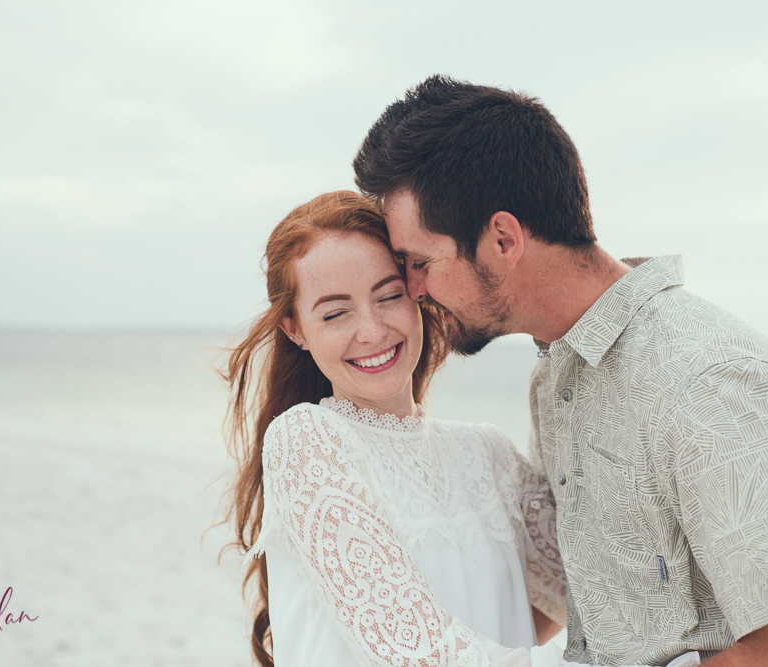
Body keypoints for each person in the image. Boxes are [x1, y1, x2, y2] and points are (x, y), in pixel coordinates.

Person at [352, 75, 768, 666]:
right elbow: (590, 607)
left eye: (420, 262)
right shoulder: (558, 379)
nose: (413, 289)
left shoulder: (708, 378)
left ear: (502, 238)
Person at [220, 191, 700, 667]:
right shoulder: (306, 440)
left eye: (389, 296)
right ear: (294, 329)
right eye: (335, 312)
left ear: (418, 294)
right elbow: (420, 654)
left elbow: (592, 590)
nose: (371, 330)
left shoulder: (487, 452)